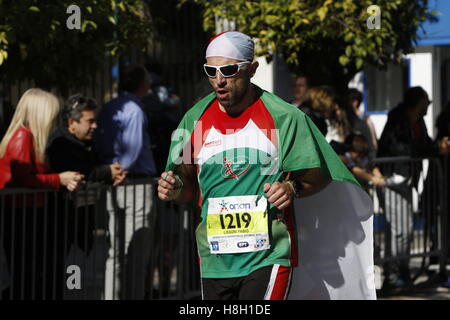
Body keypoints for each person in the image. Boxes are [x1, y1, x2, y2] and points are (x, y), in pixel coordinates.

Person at [158, 31, 376, 300]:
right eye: (211, 71)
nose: (219, 80)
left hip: (269, 256)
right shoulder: (194, 120)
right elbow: (187, 187)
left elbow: (320, 174)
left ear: (252, 69)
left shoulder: (284, 117)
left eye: (228, 70)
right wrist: (173, 189)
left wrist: (291, 187)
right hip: (215, 260)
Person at [0, 88, 83, 299]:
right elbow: (25, 178)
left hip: (29, 212)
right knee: (27, 277)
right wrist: (59, 179)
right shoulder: (23, 136)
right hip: (22, 216)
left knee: (32, 276)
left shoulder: (28, 137)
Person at [46, 94, 127, 299]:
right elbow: (80, 172)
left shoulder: (86, 143)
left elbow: (94, 167)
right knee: (65, 279)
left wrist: (112, 175)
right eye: (89, 121)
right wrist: (106, 173)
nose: (94, 126)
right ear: (72, 123)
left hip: (81, 226)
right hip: (61, 226)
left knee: (77, 279)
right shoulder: (60, 143)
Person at [377, 86, 450, 292]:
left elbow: (424, 144)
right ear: (419, 102)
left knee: (406, 229)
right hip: (392, 178)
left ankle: (401, 270)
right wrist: (436, 149)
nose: (429, 106)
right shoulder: (398, 120)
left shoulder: (419, 121)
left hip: (407, 180)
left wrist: (437, 146)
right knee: (398, 230)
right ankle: (392, 275)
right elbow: (402, 148)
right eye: (427, 101)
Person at [94, 64, 157, 299]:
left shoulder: (110, 107)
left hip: (116, 182)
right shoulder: (134, 109)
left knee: (116, 252)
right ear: (142, 84)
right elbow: (133, 149)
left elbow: (100, 144)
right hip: (134, 183)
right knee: (136, 253)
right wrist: (121, 171)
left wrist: (110, 171)